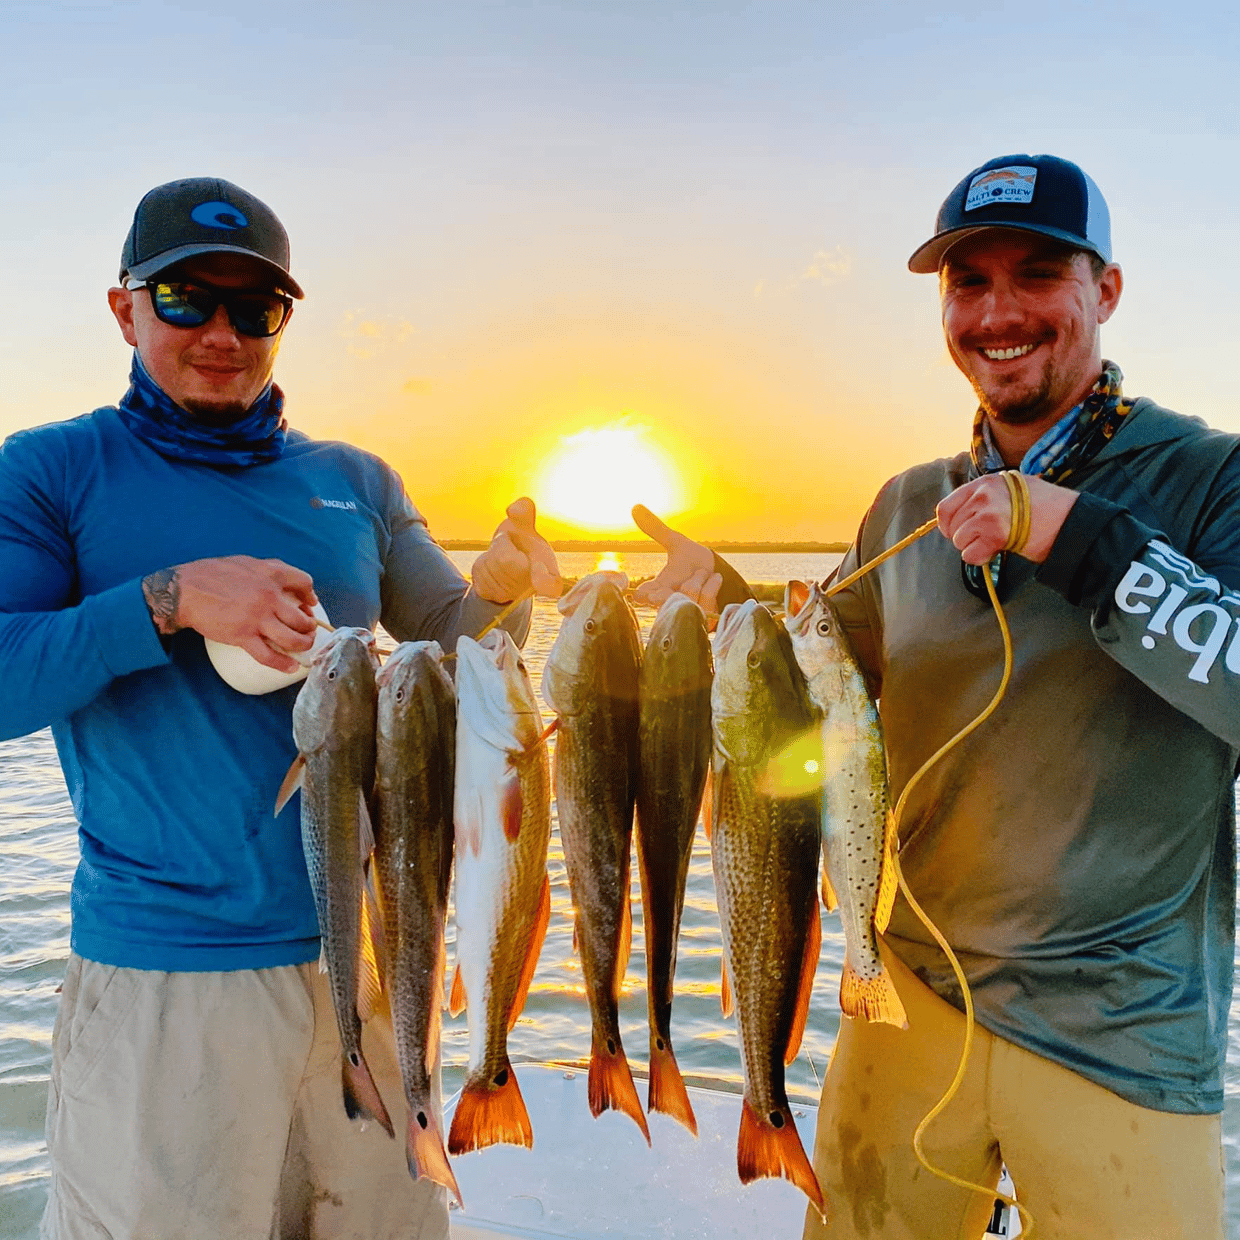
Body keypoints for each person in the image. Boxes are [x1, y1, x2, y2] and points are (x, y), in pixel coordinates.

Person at [635, 153, 1239, 1239]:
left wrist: (1069, 531)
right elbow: (821, 690)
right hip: (907, 994)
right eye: (968, 283)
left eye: (1038, 273)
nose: (998, 313)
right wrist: (724, 604)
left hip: (1122, 1027)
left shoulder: (1208, 480)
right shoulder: (908, 503)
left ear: (1105, 289)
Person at [0, 176, 561, 1240]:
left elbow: (456, 641)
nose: (222, 332)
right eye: (185, 299)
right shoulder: (51, 470)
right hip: (169, 981)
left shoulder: (358, 481)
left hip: (378, 959)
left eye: (255, 308)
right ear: (124, 307)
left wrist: (497, 591)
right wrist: (165, 600)